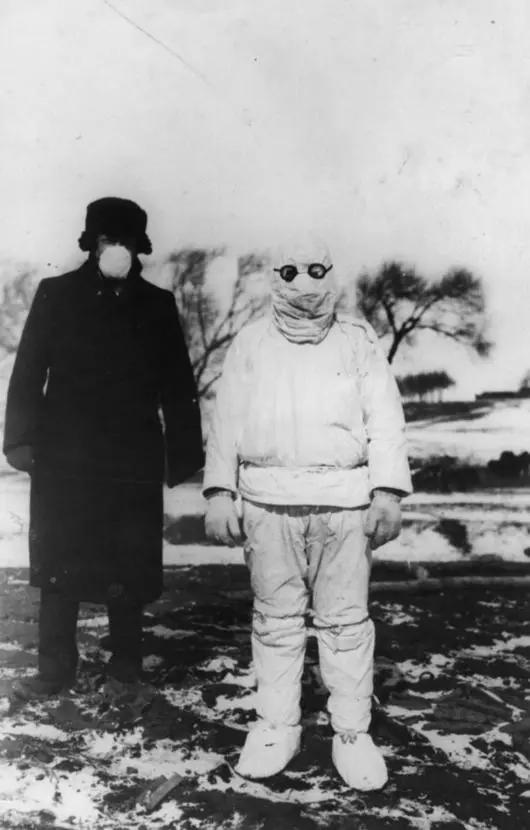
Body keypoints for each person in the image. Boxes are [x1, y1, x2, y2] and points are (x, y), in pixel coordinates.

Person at [203, 236, 411, 791]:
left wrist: (388, 492)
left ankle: (352, 733)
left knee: (346, 624)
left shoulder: (357, 341)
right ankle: (277, 727)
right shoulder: (251, 342)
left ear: (332, 274)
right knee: (275, 622)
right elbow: (226, 419)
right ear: (275, 277)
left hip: (344, 504)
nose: (303, 283)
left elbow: (385, 417)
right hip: (268, 503)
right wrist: (219, 492)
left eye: (316, 270)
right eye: (290, 271)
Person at [3, 197, 204, 699]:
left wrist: (182, 453)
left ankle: (125, 665)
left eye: (126, 240)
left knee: (128, 564)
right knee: (59, 565)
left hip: (130, 458)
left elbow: (178, 384)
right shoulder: (56, 294)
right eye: (108, 239)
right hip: (64, 456)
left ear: (139, 246)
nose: (117, 248)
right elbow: (28, 370)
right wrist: (20, 438)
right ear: (92, 243)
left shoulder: (157, 304)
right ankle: (54, 670)